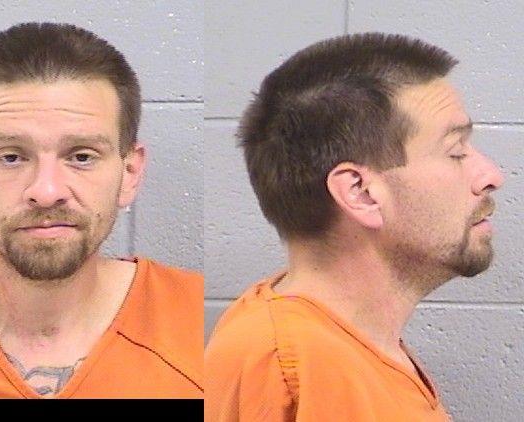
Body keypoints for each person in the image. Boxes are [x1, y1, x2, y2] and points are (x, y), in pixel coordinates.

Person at [0, 22, 202, 399]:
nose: (47, 192)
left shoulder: (201, 326)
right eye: (11, 157)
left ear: (130, 173)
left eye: (82, 156)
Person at [205, 32, 504, 420]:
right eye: (456, 152)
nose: (491, 176)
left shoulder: (341, 349)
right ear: (361, 193)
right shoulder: (293, 370)